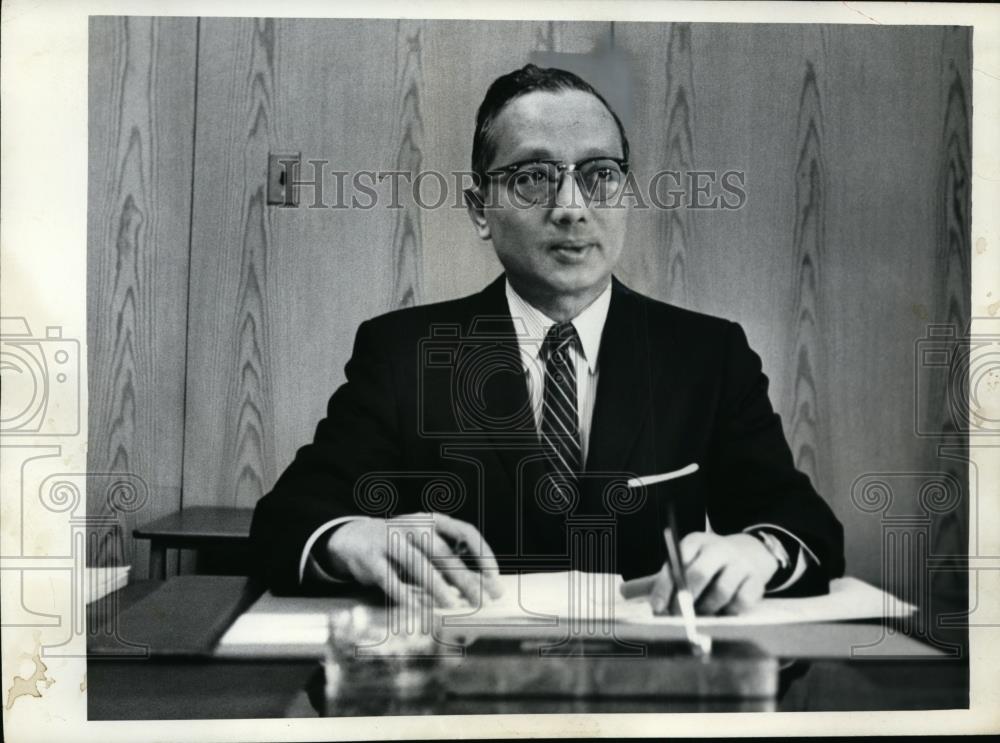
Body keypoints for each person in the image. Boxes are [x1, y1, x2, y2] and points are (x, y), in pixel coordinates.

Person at [249, 64, 845, 615]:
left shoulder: (708, 356)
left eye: (599, 176)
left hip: (647, 687)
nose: (571, 207)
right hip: (461, 690)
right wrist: (356, 537)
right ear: (481, 209)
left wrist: (755, 552)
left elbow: (805, 526)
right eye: (534, 177)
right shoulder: (402, 352)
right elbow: (288, 519)